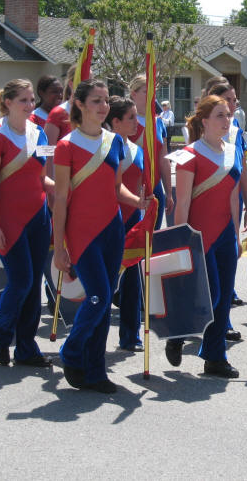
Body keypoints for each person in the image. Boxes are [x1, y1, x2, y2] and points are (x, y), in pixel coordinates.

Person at [53, 80, 146, 393]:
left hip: (112, 229)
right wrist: (58, 246)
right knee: (99, 296)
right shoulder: (66, 146)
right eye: (96, 100)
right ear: (80, 105)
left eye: (106, 100)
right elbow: (61, 199)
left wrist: (137, 202)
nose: (103, 106)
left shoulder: (114, 142)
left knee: (104, 303)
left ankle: (95, 371)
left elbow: (115, 187)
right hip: (82, 232)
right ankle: (71, 350)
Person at [164, 95, 242, 378]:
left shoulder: (233, 151)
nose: (226, 120)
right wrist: (180, 239)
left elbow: (234, 196)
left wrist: (235, 234)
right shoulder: (189, 154)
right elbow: (182, 201)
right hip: (197, 235)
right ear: (204, 121)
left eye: (228, 115)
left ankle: (214, 357)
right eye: (220, 115)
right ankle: (177, 333)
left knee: (223, 300)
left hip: (225, 236)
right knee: (210, 295)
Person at [0, 79, 54, 366]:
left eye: (31, 100)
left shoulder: (40, 134)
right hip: (9, 219)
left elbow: (43, 177)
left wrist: (64, 189)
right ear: (8, 102)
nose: (30, 105)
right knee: (21, 280)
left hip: (39, 217)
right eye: (23, 100)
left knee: (34, 282)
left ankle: (26, 347)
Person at [206, 82, 247, 327]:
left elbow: (241, 169)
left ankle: (223, 322)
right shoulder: (202, 126)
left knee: (231, 258)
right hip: (209, 207)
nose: (233, 105)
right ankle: (198, 323)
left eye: (235, 100)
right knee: (210, 277)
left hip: (233, 199)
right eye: (228, 100)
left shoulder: (235, 129)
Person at [105, 96, 145, 352]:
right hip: (110, 221)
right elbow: (113, 188)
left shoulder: (138, 149)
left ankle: (131, 335)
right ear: (115, 121)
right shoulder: (106, 147)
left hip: (134, 221)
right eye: (130, 117)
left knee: (133, 280)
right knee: (106, 283)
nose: (136, 122)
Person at [128, 75, 174, 229]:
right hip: (131, 189)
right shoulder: (124, 121)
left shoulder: (158, 122)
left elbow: (164, 159)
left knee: (152, 240)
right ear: (133, 94)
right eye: (145, 91)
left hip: (155, 188)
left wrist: (169, 191)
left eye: (153, 92)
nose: (151, 96)